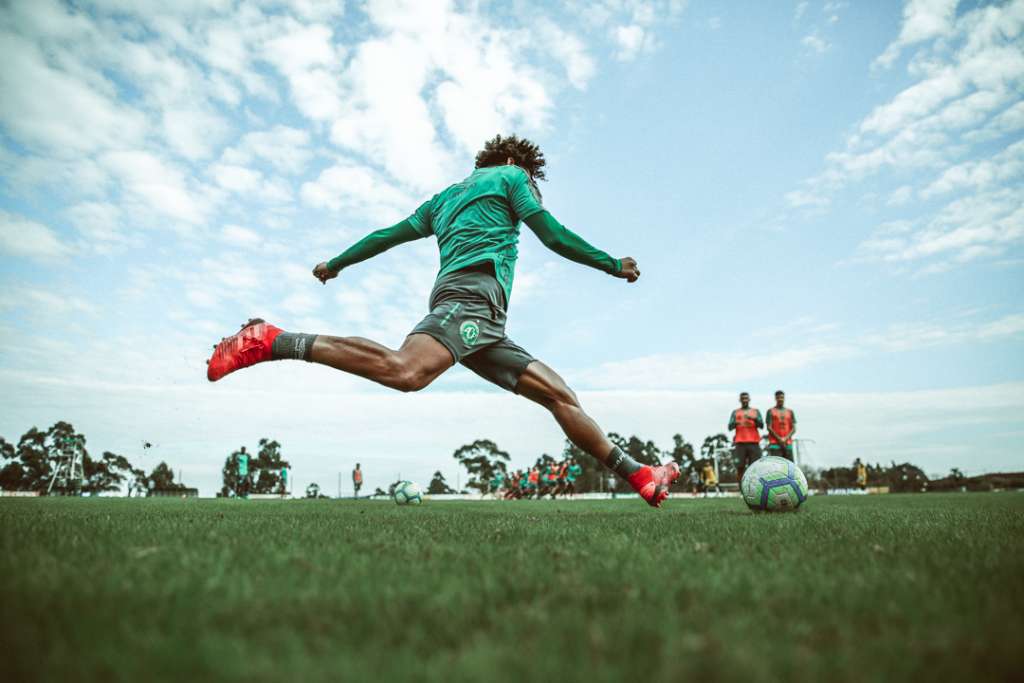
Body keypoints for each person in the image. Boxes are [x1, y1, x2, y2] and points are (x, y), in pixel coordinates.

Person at [207, 134, 679, 506]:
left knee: (560, 396)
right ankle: (271, 340)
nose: (534, 186)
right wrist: (612, 264)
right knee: (406, 371)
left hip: (483, 318)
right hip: (469, 298)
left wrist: (337, 263)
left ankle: (640, 475)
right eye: (534, 178)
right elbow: (552, 235)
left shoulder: (444, 198)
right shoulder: (510, 179)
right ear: (519, 165)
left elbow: (386, 235)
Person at [729, 391, 764, 486]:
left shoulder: (755, 411)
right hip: (740, 443)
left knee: (755, 467)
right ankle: (742, 490)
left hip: (754, 442)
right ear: (740, 400)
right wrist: (734, 423)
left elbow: (761, 425)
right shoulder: (735, 412)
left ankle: (756, 487)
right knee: (740, 467)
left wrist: (754, 419)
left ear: (749, 399)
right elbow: (729, 427)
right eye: (743, 398)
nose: (744, 400)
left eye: (746, 398)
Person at [765, 390, 797, 461]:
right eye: (778, 397)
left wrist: (785, 438)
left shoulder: (790, 411)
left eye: (782, 397)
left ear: (784, 398)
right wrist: (779, 439)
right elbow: (769, 427)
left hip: (787, 444)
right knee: (776, 466)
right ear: (775, 398)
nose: (780, 399)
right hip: (775, 444)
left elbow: (794, 428)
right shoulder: (770, 411)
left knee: (790, 466)